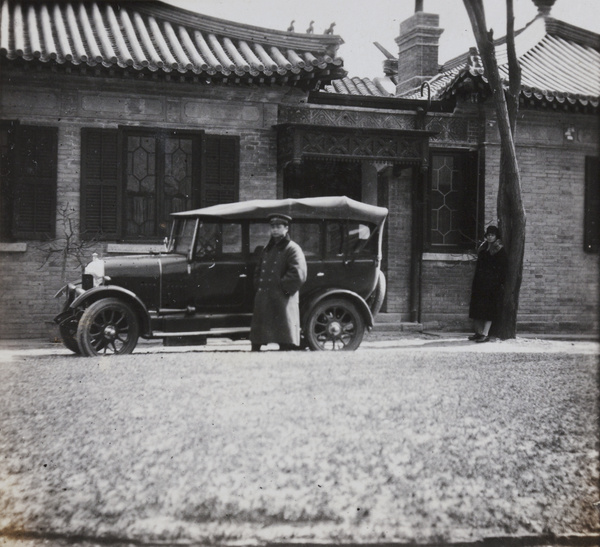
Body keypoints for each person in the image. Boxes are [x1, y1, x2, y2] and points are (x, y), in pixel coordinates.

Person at [250, 213, 307, 351]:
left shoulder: (292, 248)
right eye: (273, 227)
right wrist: (259, 285)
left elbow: (298, 273)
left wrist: (283, 289)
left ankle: (285, 345)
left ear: (286, 228)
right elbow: (259, 270)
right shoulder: (267, 249)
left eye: (278, 227)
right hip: (265, 296)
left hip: (282, 297)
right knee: (261, 332)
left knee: (284, 335)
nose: (275, 230)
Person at [468, 225, 508, 343]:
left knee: (489, 309)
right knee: (477, 308)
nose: (490, 237)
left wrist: (497, 282)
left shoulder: (499, 250)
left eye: (492, 235)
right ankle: (478, 332)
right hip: (480, 283)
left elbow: (503, 268)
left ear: (496, 236)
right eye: (488, 235)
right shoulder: (483, 248)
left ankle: (485, 334)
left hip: (491, 284)